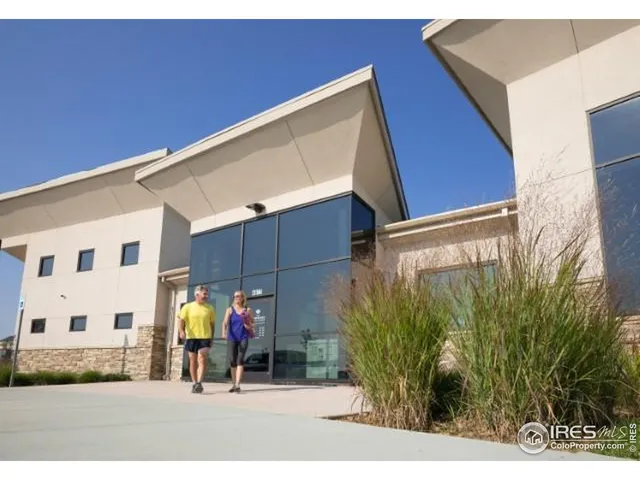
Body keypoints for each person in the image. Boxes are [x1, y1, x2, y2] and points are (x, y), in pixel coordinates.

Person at [178, 285, 215, 394]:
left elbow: (212, 325)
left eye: (207, 294)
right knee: (193, 361)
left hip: (205, 337)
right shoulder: (187, 307)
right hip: (191, 337)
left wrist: (212, 338)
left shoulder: (210, 308)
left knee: (202, 358)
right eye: (204, 294)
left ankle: (199, 382)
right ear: (197, 294)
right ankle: (194, 382)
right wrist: (181, 331)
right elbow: (181, 320)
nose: (206, 296)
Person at [222, 290, 255, 393]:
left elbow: (252, 323)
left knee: (240, 359)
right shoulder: (230, 310)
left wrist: (248, 325)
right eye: (235, 296)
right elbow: (225, 323)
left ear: (242, 298)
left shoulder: (247, 310)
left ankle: (237, 384)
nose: (237, 298)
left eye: (239, 296)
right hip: (232, 338)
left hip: (243, 337)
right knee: (232, 360)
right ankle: (233, 383)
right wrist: (224, 333)